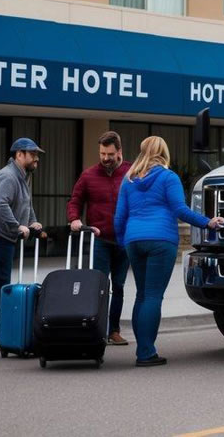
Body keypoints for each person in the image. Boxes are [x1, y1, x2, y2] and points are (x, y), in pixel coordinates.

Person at [114, 136, 224, 367]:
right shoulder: (168, 177)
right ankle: (146, 353)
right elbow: (180, 210)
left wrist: (124, 241)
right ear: (163, 152)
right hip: (161, 240)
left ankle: (144, 349)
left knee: (142, 295)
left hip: (134, 240)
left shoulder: (129, 180)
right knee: (153, 296)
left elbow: (119, 218)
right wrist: (208, 222)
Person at [0, 138, 44, 351]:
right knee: (0, 281)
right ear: (19, 155)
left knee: (1, 280)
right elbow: (1, 204)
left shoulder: (24, 177)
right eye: (32, 154)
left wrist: (32, 221)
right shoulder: (7, 176)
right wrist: (16, 227)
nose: (36, 158)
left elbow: (26, 203)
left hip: (6, 235)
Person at [66, 131, 132, 346]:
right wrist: (74, 218)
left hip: (124, 240)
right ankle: (98, 330)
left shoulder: (132, 173)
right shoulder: (89, 175)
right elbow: (75, 200)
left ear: (119, 151)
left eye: (110, 153)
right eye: (102, 153)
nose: (105, 158)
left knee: (119, 286)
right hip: (100, 240)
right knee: (100, 286)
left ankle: (113, 330)